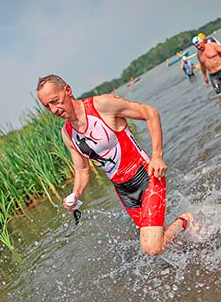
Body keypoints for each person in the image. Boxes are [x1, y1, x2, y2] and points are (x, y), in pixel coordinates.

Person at [36, 75, 194, 256]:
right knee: (158, 238)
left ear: (68, 91)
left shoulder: (102, 105)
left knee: (151, 248)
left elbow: (150, 114)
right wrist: (76, 194)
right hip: (124, 192)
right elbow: (82, 170)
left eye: (55, 101)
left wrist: (157, 156)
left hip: (146, 176)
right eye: (47, 106)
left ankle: (186, 219)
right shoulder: (67, 133)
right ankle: (192, 249)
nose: (54, 109)